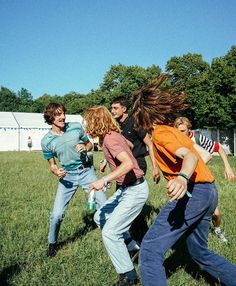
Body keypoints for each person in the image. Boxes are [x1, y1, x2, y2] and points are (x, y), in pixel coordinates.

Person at [132, 75, 236, 286]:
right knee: (199, 252)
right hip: (209, 192)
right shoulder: (172, 131)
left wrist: (182, 178)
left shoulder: (161, 133)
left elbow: (189, 157)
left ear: (144, 116)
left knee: (150, 249)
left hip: (194, 192)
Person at [84, 106, 149, 286]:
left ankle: (128, 276)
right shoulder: (113, 135)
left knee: (111, 232)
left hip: (134, 191)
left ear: (95, 122)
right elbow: (129, 146)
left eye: (88, 121)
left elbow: (128, 163)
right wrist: (116, 173)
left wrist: (104, 180)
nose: (86, 126)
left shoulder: (110, 139)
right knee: (99, 216)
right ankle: (132, 247)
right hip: (125, 189)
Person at [41, 102, 107, 257]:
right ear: (50, 117)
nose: (63, 116)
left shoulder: (76, 126)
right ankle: (52, 243)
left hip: (86, 172)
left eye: (63, 113)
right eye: (58, 114)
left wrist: (86, 148)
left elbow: (90, 145)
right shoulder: (46, 141)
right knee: (56, 215)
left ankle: (119, 237)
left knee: (104, 204)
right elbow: (52, 165)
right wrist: (56, 171)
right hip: (67, 178)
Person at [174, 116, 235, 242]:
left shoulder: (197, 138)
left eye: (183, 131)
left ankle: (217, 230)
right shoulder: (175, 140)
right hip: (184, 180)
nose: (180, 134)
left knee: (215, 213)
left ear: (189, 129)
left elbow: (218, 148)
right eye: (178, 131)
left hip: (201, 179)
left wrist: (227, 166)